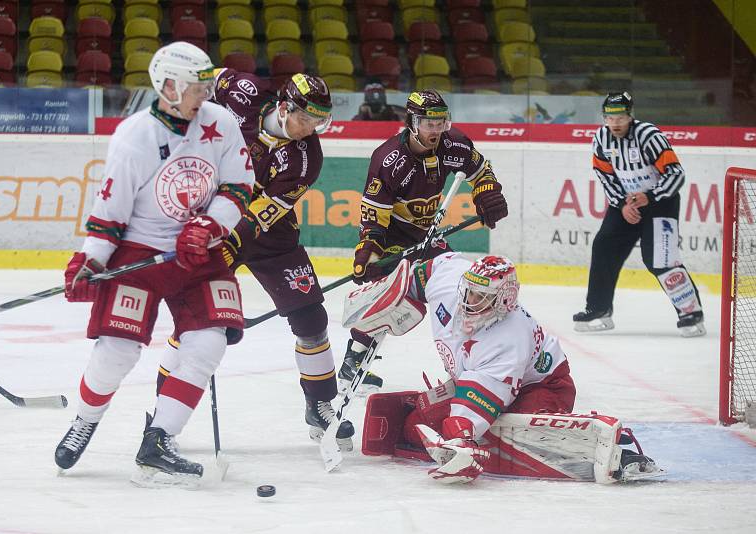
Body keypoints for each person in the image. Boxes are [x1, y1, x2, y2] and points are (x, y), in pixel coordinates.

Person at [53, 41, 256, 487]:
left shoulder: (220, 123)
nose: (205, 94)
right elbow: (110, 215)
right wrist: (90, 262)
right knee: (117, 351)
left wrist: (211, 223)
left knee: (208, 344)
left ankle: (159, 439)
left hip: (199, 252)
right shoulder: (133, 138)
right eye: (196, 86)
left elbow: (241, 186)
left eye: (207, 84)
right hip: (139, 254)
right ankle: (86, 419)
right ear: (167, 86)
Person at [156, 70, 356, 451]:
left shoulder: (306, 159)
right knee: (193, 323)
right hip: (212, 212)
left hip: (268, 233)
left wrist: (229, 243)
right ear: (284, 107)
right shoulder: (245, 91)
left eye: (318, 122)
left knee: (311, 316)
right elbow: (202, 77)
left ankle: (320, 405)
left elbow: (264, 212)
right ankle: (161, 414)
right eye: (305, 118)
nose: (310, 128)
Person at [346, 254, 662, 484]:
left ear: (504, 300)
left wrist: (461, 439)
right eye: (470, 291)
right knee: (413, 425)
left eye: (482, 297)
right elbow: (428, 270)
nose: (470, 301)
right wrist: (395, 288)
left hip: (542, 388)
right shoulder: (451, 281)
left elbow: (472, 411)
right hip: (478, 377)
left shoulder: (508, 338)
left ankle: (611, 453)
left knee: (508, 433)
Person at [338, 89, 509, 392]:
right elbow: (374, 219)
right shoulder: (388, 160)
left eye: (441, 122)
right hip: (392, 235)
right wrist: (370, 251)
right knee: (389, 298)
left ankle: (473, 360)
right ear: (412, 122)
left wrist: (487, 190)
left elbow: (482, 170)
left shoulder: (454, 143)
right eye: (430, 124)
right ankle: (354, 361)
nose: (436, 130)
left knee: (460, 286)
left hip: (426, 234)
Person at [573, 92, 705, 337]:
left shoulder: (649, 135)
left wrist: (650, 197)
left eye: (620, 117)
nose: (615, 124)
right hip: (626, 202)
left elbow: (676, 174)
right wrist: (623, 204)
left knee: (660, 259)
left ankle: (691, 312)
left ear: (630, 116)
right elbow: (605, 176)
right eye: (609, 118)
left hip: (660, 202)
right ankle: (599, 308)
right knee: (604, 246)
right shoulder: (601, 138)